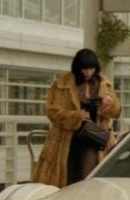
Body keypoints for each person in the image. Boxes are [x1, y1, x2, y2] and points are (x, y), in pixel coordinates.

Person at [32, 48, 121, 187]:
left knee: (88, 177)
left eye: (91, 69)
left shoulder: (104, 85)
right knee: (66, 178)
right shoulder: (62, 84)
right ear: (77, 67)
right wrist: (76, 116)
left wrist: (109, 104)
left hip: (94, 138)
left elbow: (117, 112)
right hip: (66, 139)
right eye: (84, 69)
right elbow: (52, 111)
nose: (88, 72)